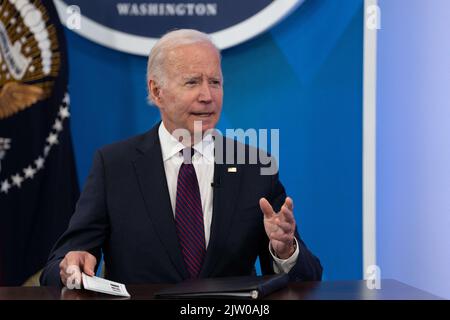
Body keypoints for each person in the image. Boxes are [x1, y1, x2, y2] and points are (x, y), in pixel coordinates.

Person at [40, 29, 322, 287]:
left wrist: (285, 250)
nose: (207, 96)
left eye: (215, 82)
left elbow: (309, 276)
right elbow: (55, 268)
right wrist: (71, 264)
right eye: (192, 82)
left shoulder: (255, 167)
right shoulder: (114, 166)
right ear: (156, 91)